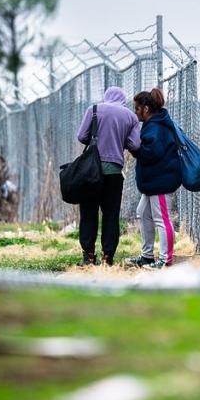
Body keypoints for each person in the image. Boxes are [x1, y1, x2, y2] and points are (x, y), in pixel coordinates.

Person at [75, 86, 140, 266]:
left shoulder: (93, 109)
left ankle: (88, 256)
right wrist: (120, 139)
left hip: (90, 173)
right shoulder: (130, 116)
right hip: (113, 173)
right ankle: (107, 257)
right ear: (122, 99)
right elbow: (135, 144)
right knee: (111, 215)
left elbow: (81, 136)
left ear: (106, 97)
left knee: (88, 213)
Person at [126, 88, 181, 268]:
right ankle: (147, 256)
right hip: (153, 182)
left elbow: (151, 153)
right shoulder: (153, 125)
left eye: (137, 108)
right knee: (143, 213)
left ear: (146, 108)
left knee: (162, 218)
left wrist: (134, 147)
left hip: (161, 182)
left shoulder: (156, 127)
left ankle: (165, 260)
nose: (135, 112)